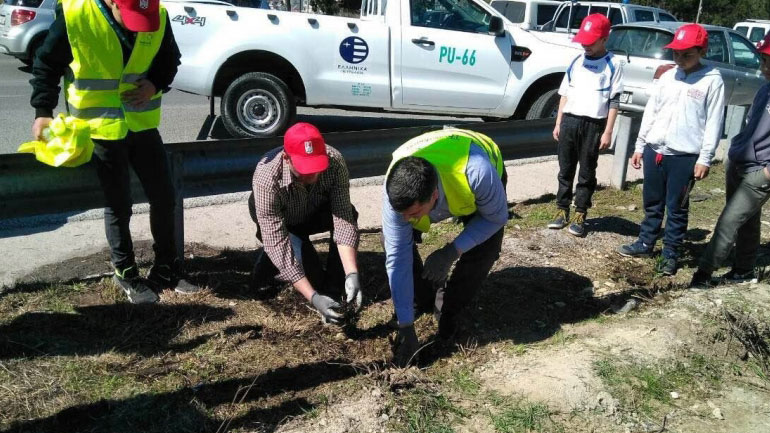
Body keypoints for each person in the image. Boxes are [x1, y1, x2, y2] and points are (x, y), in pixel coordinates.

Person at [30, 0, 199, 304]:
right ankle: (126, 272)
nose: (138, 25)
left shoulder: (157, 14)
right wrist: (43, 109)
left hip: (142, 124)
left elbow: (169, 60)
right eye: (130, 17)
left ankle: (165, 269)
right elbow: (46, 64)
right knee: (119, 205)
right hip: (100, 129)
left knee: (164, 196)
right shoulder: (76, 14)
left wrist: (155, 83)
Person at [383, 128, 508, 367]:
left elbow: (496, 218)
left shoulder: (478, 173)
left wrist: (451, 252)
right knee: (391, 241)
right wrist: (406, 325)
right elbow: (396, 257)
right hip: (434, 182)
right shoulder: (395, 189)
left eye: (414, 214)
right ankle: (420, 299)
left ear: (434, 196)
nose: (408, 219)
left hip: (480, 170)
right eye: (403, 214)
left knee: (484, 250)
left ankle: (450, 310)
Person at [617, 23, 725, 276]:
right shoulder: (667, 76)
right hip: (656, 150)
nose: (680, 59)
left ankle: (670, 254)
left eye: (687, 54)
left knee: (676, 207)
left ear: (702, 51)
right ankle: (645, 242)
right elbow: (651, 112)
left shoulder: (712, 81)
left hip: (684, 156)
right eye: (676, 53)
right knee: (652, 202)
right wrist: (640, 145)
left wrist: (705, 158)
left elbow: (713, 122)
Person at [248, 122, 363, 324]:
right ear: (286, 158)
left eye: (317, 168)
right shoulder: (266, 177)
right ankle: (269, 260)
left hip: (315, 210)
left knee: (350, 214)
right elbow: (277, 240)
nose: (313, 175)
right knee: (312, 280)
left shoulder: (335, 161)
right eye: (305, 169)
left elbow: (343, 217)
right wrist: (313, 297)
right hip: (284, 221)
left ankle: (337, 287)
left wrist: (351, 274)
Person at [690, 33, 770, 287]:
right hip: (739, 163)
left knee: (728, 221)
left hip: (760, 173)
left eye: (769, 61)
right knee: (747, 221)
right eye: (763, 59)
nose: (763, 66)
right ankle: (744, 270)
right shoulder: (765, 88)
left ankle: (702, 275)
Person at [548, 13, 624, 237]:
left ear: (604, 39)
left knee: (587, 171)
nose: (586, 45)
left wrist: (608, 131)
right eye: (583, 40)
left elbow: (614, 101)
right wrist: (559, 122)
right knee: (565, 169)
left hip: (593, 123)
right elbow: (564, 94)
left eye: (591, 41)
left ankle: (581, 212)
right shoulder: (576, 61)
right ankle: (561, 210)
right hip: (570, 120)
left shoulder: (613, 64)